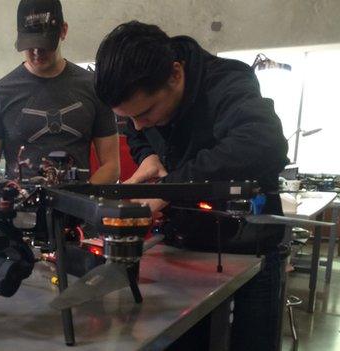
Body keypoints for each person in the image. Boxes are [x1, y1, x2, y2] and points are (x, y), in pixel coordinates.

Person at [94, 21, 289, 350]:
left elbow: (263, 142)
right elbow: (137, 134)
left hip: (250, 244)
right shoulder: (141, 107)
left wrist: (166, 188)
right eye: (128, 118)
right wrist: (148, 156)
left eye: (146, 111)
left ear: (175, 74)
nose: (138, 125)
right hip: (184, 243)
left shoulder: (227, 81)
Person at [0, 0, 120, 184]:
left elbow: (111, 166)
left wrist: (81, 201)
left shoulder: (93, 88)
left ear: (63, 31)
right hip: (19, 210)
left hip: (79, 208)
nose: (37, 51)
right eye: (30, 44)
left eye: (44, 44)